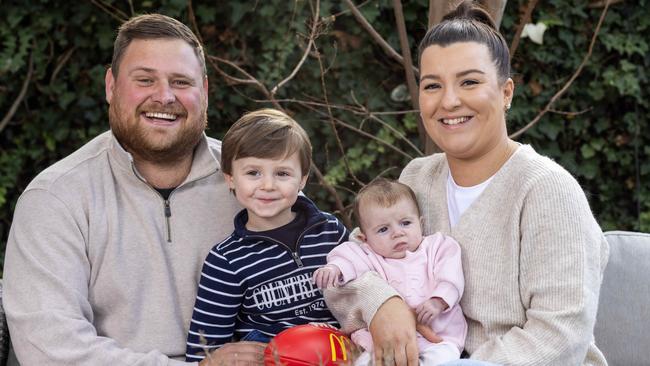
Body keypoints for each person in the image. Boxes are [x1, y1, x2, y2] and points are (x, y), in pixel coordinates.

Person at [324, 2, 609, 365]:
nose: (449, 101)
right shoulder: (417, 177)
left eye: (470, 82)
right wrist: (383, 302)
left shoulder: (546, 190)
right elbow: (350, 269)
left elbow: (560, 334)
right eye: (432, 85)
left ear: (506, 93)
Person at [2, 14, 267, 365]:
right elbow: (50, 349)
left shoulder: (257, 181)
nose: (164, 96)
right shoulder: (56, 198)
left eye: (181, 81)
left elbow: (331, 276)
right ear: (111, 86)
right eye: (145, 80)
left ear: (204, 91)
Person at [185, 109, 348, 362]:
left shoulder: (330, 232)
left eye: (282, 173)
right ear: (230, 178)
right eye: (253, 173)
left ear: (302, 179)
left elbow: (366, 284)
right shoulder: (226, 260)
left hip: (342, 354)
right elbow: (203, 349)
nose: (268, 185)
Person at [313, 179, 466, 366]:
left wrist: (438, 301)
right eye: (383, 229)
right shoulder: (368, 254)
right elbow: (346, 257)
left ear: (420, 223)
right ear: (364, 237)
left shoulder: (437, 247)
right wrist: (333, 269)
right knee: (363, 362)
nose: (397, 233)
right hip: (383, 342)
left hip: (437, 338)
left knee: (443, 359)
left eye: (405, 223)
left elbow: (450, 277)